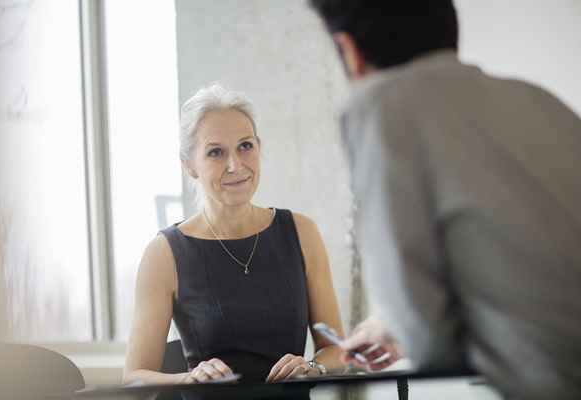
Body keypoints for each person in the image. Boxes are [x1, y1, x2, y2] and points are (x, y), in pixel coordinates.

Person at [308, 1, 581, 399]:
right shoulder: (538, 101)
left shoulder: (381, 106)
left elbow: (432, 346)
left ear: (348, 51)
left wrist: (405, 327)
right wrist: (394, 326)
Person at [123, 83, 345, 385]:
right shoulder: (164, 253)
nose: (235, 165)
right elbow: (134, 378)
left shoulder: (302, 233)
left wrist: (312, 366)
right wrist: (189, 379)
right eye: (215, 152)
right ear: (189, 165)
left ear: (259, 147)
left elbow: (336, 350)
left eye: (245, 146)